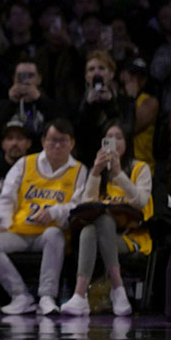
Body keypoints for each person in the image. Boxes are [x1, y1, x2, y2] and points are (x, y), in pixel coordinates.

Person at [0, 118, 86, 316]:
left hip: (51, 234)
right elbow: (6, 197)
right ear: (43, 141)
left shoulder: (79, 170)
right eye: (52, 140)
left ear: (71, 143)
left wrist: (54, 212)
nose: (56, 145)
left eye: (62, 141)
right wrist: (4, 223)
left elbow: (78, 205)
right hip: (19, 231)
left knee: (54, 234)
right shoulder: (25, 164)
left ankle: (47, 296)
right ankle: (20, 296)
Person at [60, 121, 150, 317]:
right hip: (102, 235)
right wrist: (95, 172)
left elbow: (140, 201)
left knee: (104, 221)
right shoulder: (99, 172)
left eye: (119, 137)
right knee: (92, 228)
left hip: (129, 236)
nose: (114, 142)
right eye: (109, 138)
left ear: (127, 142)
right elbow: (85, 205)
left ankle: (87, 294)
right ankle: (96, 293)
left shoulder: (140, 168)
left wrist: (118, 173)